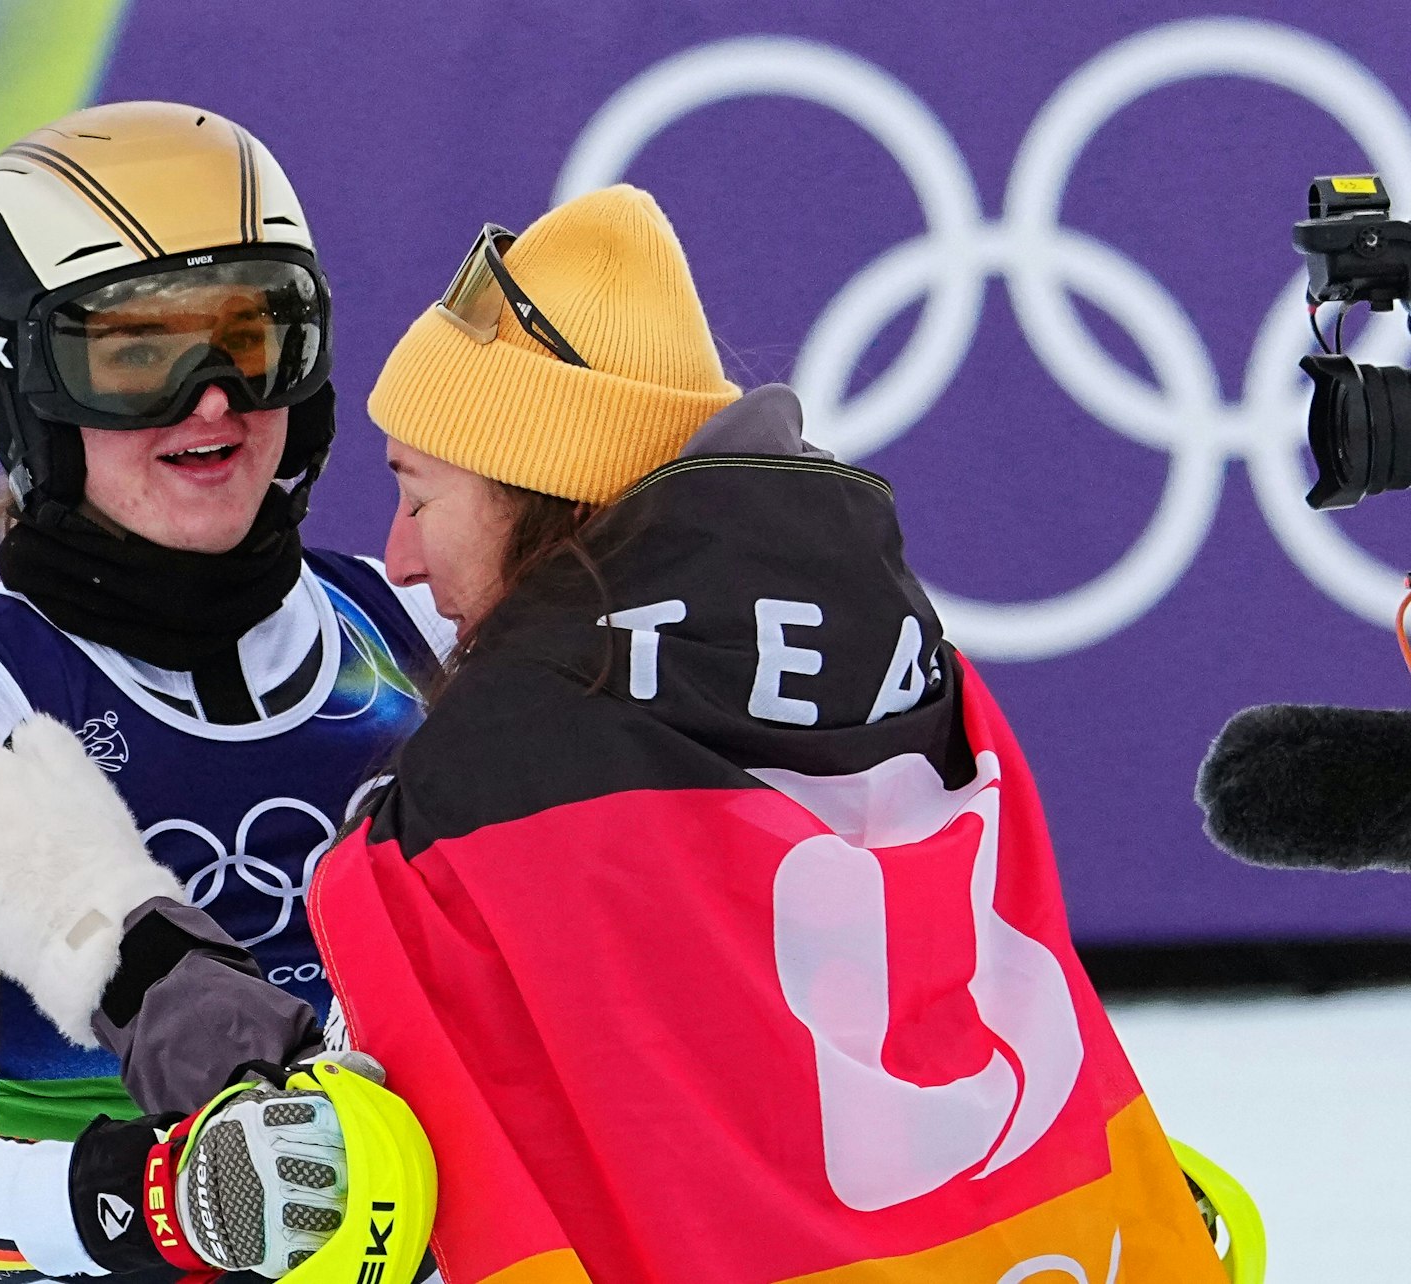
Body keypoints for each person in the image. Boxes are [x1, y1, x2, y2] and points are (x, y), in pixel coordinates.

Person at [303, 185, 1235, 1281]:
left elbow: (435, 1178)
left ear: (544, 486)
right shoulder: (921, 666)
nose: (399, 558)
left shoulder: (493, 767)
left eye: (418, 497)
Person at [0, 101, 449, 1283]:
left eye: (250, 338)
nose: (211, 401)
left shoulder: (418, 633)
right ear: (29, 395)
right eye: (136, 354)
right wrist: (169, 1207)